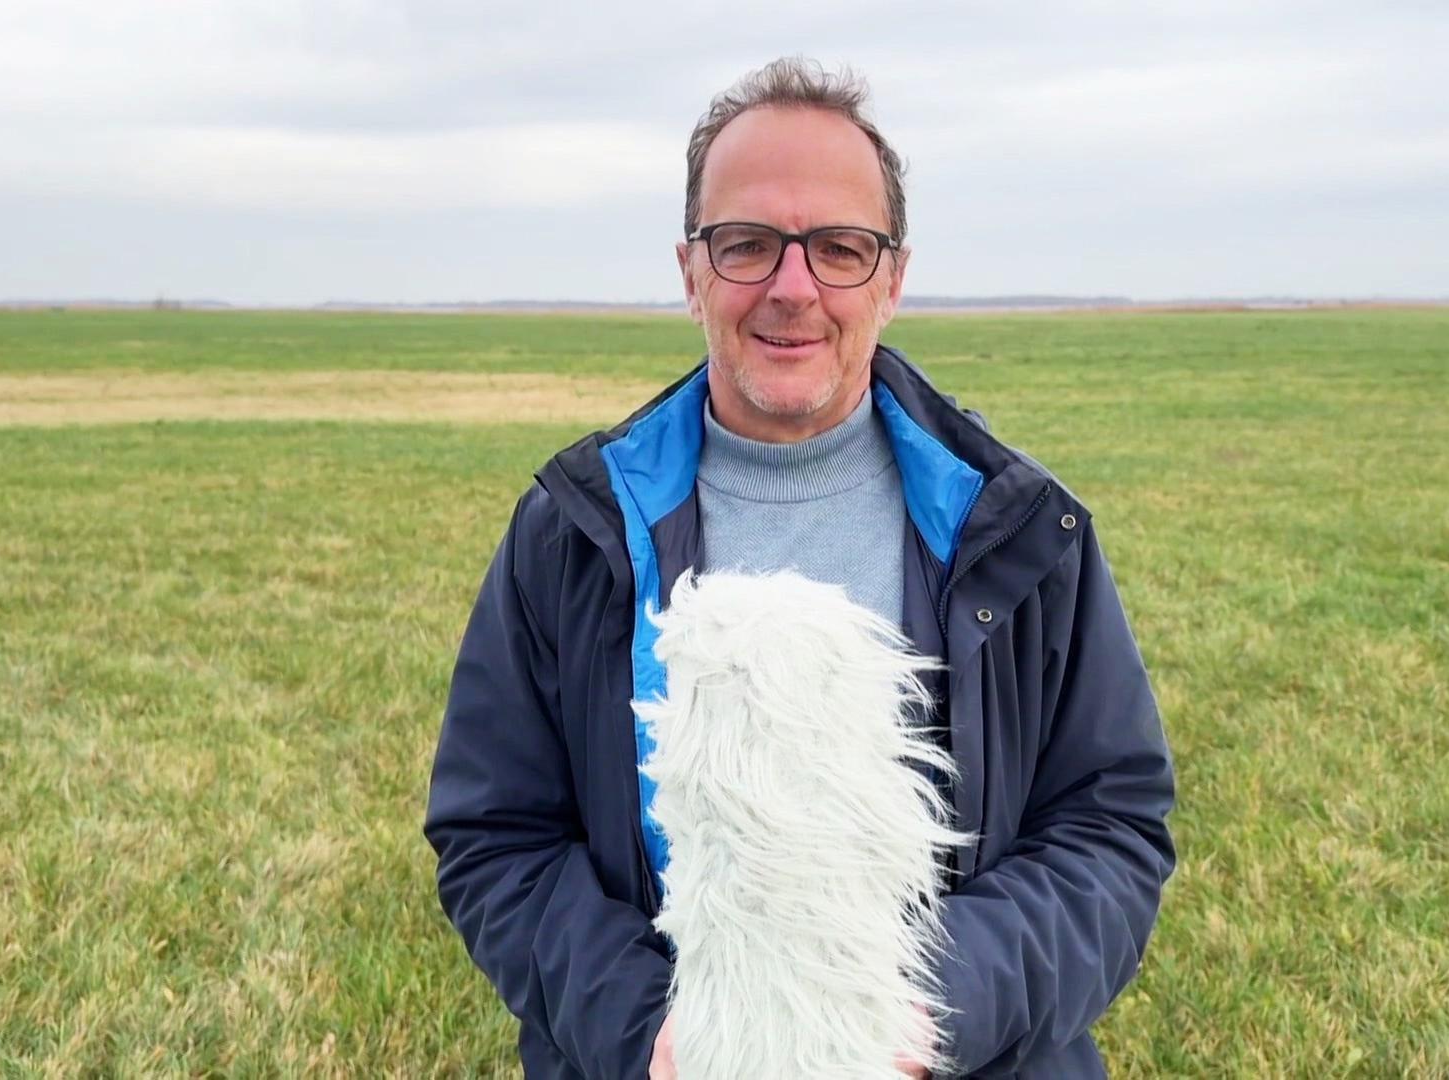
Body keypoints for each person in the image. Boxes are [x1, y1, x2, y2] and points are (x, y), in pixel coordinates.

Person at [424, 57, 1175, 1079]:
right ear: (690, 272)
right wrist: (646, 1030)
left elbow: (1109, 826)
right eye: (746, 246)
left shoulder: (1021, 528)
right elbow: (496, 836)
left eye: (839, 248)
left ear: (894, 277)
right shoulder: (573, 528)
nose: (793, 287)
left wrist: (919, 1015)